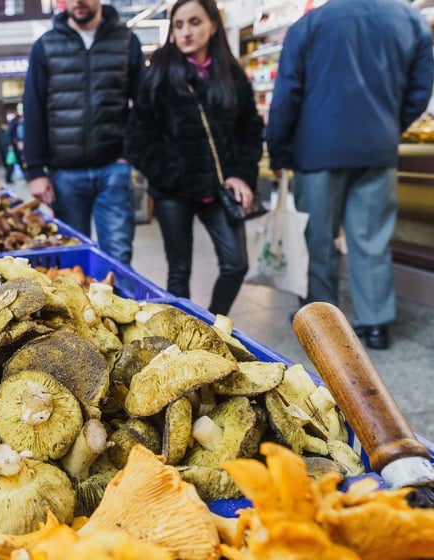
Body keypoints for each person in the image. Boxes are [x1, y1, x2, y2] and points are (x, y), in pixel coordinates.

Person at [265, 0, 434, 349]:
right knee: (371, 240)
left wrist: (279, 148)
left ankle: (325, 325)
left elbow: (287, 93)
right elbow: (420, 89)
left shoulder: (310, 25)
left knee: (319, 241)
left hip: (317, 150)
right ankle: (375, 326)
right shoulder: (410, 20)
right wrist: (390, 126)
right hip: (377, 148)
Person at [124, 0, 264, 315]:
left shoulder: (231, 75)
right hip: (173, 189)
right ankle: (185, 330)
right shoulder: (159, 72)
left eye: (195, 22)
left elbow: (250, 131)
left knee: (236, 264)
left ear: (213, 24)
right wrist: (169, 173)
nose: (186, 31)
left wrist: (242, 175)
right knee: (179, 269)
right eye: (179, 24)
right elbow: (137, 136)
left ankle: (214, 325)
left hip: (218, 187)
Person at [22, 0, 143, 265]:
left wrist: (130, 153)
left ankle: (117, 308)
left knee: (119, 256)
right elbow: (33, 109)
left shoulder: (126, 42)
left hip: (113, 169)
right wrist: (34, 171)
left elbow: (143, 104)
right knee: (72, 257)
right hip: (64, 173)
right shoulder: (45, 46)